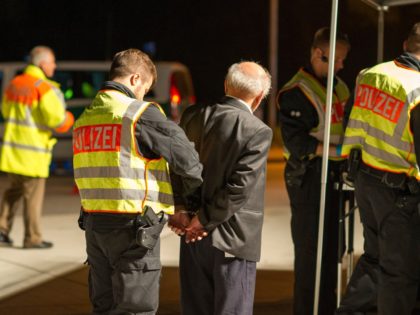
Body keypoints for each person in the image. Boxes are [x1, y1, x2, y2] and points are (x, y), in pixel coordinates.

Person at [73, 48, 203, 314]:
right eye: (146, 87)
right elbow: (188, 160)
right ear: (134, 79)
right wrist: (191, 206)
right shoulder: (139, 113)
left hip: (95, 228)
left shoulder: (85, 118)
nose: (144, 94)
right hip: (133, 230)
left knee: (104, 307)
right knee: (135, 309)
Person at [169, 61, 273, 315]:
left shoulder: (193, 115)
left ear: (227, 85)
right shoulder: (257, 131)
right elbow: (239, 188)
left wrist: (182, 209)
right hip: (231, 237)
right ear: (259, 98)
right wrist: (203, 221)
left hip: (191, 234)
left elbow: (175, 166)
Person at [336, 22, 420, 315]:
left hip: (365, 181)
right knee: (399, 273)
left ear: (405, 45)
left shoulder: (370, 74)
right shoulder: (417, 87)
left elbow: (351, 120)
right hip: (398, 192)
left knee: (374, 258)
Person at [277, 27, 351, 315]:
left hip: (334, 177)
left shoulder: (340, 86)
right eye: (338, 59)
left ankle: (328, 307)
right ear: (318, 54)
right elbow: (297, 143)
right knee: (309, 256)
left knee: (331, 252)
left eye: (344, 59)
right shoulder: (296, 91)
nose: (342, 65)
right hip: (307, 176)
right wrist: (338, 152)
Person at [0, 45, 74, 249]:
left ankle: (1, 229)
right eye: (52, 62)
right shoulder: (45, 88)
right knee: (32, 197)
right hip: (33, 154)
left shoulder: (14, 83)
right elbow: (56, 120)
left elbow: (5, 111)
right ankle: (32, 238)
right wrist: (69, 118)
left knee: (13, 191)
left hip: (12, 151)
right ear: (42, 64)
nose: (54, 65)